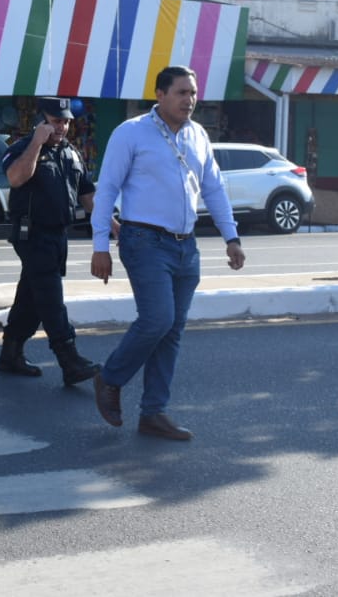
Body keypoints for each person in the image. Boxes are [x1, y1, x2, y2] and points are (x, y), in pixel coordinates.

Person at [90, 66, 246, 441]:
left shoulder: (198, 135)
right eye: (181, 92)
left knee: (172, 330)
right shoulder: (131, 132)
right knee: (157, 319)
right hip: (143, 240)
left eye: (193, 93)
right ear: (159, 94)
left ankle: (153, 413)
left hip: (185, 245)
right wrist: (99, 245)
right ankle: (109, 378)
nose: (189, 100)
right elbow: (106, 188)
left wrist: (231, 237)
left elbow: (214, 188)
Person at [0, 97, 100, 386]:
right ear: (41, 121)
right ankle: (69, 360)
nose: (62, 127)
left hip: (58, 235)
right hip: (32, 234)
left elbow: (88, 195)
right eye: (56, 122)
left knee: (31, 297)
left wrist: (111, 225)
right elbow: (16, 178)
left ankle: (10, 354)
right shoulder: (21, 149)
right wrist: (36, 143)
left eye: (66, 122)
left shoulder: (71, 153)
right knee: (51, 297)